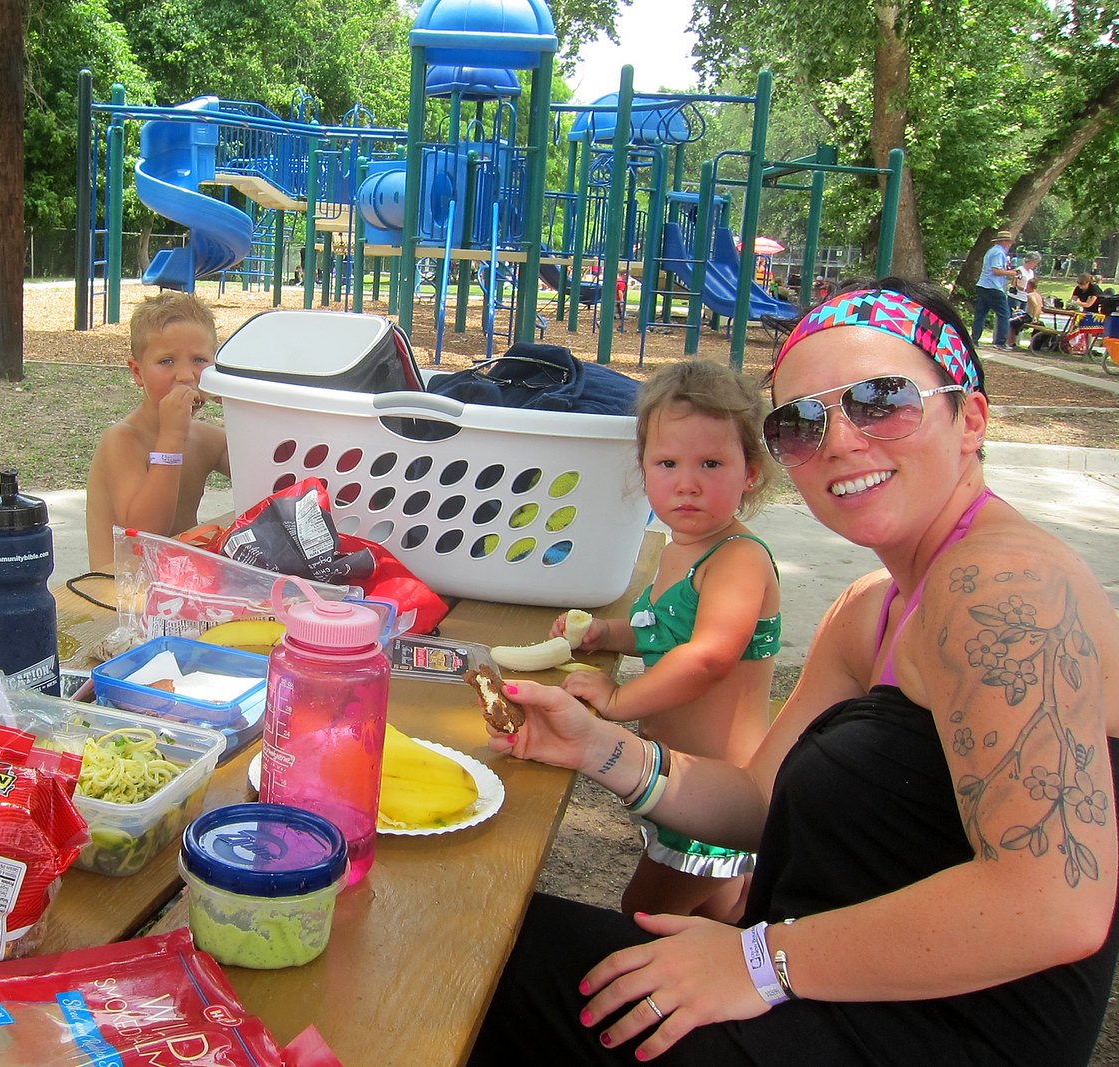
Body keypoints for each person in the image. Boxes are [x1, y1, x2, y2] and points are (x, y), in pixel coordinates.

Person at [469, 278, 1119, 1066]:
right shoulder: (872, 605)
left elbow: (1051, 903)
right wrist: (598, 747)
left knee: (475, 959)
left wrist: (758, 960)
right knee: (489, 928)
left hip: (927, 1030)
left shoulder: (1005, 590)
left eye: (882, 399)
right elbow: (758, 800)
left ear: (970, 417)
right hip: (824, 982)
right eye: (803, 421)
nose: (839, 440)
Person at [554, 359, 780, 923]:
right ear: (644, 469)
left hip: (714, 797)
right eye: (668, 463)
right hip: (677, 781)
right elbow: (666, 633)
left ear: (750, 472)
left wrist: (617, 701)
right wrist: (609, 633)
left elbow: (708, 658)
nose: (687, 483)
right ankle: (745, 929)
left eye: (711, 463)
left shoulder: (738, 559)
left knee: (643, 912)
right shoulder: (680, 547)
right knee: (715, 911)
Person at [84, 292, 230, 570]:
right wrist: (171, 439)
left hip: (178, 581)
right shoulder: (122, 440)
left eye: (199, 360)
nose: (185, 375)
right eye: (166, 361)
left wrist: (241, 410)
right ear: (138, 372)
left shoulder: (205, 439)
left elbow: (268, 474)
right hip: (116, 589)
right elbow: (145, 536)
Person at [972, 229, 1016, 350]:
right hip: (993, 287)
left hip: (983, 285)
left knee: (980, 314)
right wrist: (1011, 273)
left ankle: (974, 339)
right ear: (1004, 242)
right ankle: (1000, 342)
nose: (1010, 245)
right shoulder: (999, 253)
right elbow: (996, 271)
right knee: (1004, 314)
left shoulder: (991, 251)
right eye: (1009, 242)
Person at [1008, 276, 1044, 348]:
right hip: (1034, 316)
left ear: (1029, 285)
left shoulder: (1030, 295)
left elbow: (1035, 305)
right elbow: (1041, 307)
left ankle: (1011, 343)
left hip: (1029, 317)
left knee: (1010, 322)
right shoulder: (1038, 295)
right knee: (1016, 321)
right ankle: (1013, 342)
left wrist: (1034, 318)